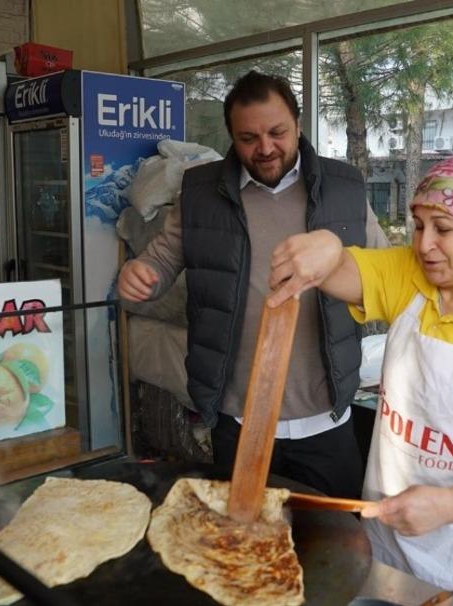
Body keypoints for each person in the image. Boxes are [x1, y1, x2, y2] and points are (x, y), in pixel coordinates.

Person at [267, 152, 453, 606]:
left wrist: (449, 505)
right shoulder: (411, 276)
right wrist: (328, 246)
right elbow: (342, 270)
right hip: (391, 533)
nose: (424, 244)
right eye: (419, 225)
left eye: (443, 229)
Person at [117, 70, 387, 499]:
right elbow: (163, 258)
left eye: (277, 133)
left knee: (335, 531)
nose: (264, 148)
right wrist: (141, 274)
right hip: (237, 417)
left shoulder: (345, 189)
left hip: (325, 416)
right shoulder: (200, 193)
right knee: (241, 533)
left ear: (298, 124)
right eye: (248, 138)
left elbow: (383, 272)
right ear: (231, 135)